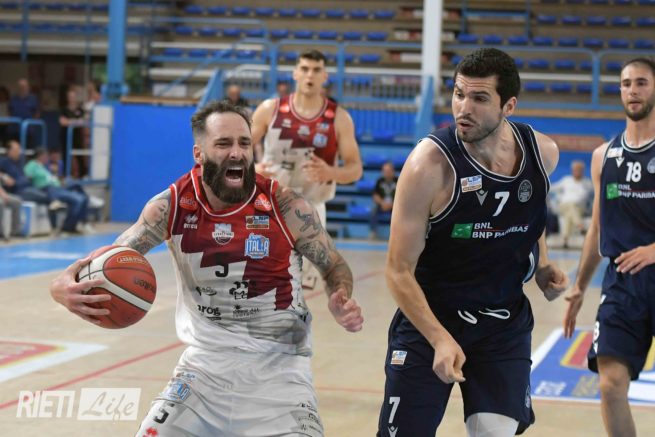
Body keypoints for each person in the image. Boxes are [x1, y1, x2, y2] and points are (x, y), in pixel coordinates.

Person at [49, 100, 364, 436]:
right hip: (202, 373)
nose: (237, 153)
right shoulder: (171, 206)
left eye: (244, 143)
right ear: (199, 154)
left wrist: (340, 295)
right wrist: (60, 288)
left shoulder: (287, 206)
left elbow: (334, 265)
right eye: (224, 143)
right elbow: (110, 262)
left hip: (281, 376)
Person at [377, 48, 568, 437]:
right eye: (459, 94)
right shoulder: (428, 167)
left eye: (479, 98)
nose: (464, 108)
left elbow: (530, 212)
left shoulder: (542, 154)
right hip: (431, 319)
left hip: (502, 323)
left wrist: (543, 262)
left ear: (508, 106)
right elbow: (397, 271)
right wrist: (439, 338)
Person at [563, 57, 655, 437]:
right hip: (622, 284)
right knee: (610, 384)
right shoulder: (604, 156)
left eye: (642, 82)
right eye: (626, 83)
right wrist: (579, 286)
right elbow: (597, 228)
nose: (632, 90)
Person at [251, 49, 362, 227]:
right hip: (268, 205)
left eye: (316, 70)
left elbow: (355, 169)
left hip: (312, 209)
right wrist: (251, 169)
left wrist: (332, 173)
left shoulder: (339, 118)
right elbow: (235, 150)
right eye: (304, 69)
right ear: (295, 74)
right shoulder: (269, 109)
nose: (310, 75)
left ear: (325, 77)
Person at [23, 147, 89, 233]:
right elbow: (27, 176)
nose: (47, 158)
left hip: (57, 187)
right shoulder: (32, 164)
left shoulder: (45, 167)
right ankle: (68, 226)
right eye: (46, 156)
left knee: (82, 194)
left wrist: (59, 178)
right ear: (40, 156)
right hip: (48, 189)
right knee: (79, 200)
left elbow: (53, 178)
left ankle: (83, 222)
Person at [551, 160, 592, 248]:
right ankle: (580, 226)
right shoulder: (566, 180)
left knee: (569, 212)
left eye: (579, 170)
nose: (577, 172)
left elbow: (590, 195)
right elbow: (552, 187)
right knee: (571, 207)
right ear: (572, 170)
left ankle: (565, 240)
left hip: (580, 207)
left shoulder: (587, 183)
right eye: (576, 170)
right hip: (563, 206)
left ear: (583, 171)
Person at [59, 85, 87, 178]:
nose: (71, 99)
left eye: (73, 96)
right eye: (70, 97)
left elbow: (84, 121)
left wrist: (70, 122)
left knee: (80, 155)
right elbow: (62, 122)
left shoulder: (80, 110)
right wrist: (75, 122)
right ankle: (66, 174)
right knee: (66, 155)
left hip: (77, 136)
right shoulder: (64, 109)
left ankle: (83, 174)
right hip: (66, 136)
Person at [8, 78, 40, 148]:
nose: (22, 88)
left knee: (28, 151)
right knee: (15, 150)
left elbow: (37, 113)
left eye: (24, 86)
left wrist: (32, 125)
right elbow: (10, 111)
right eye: (20, 86)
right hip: (14, 130)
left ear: (28, 87)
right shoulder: (13, 99)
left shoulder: (33, 99)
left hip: (28, 131)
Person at [369, 161, 397, 240]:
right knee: (373, 212)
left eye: (388, 171)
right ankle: (373, 232)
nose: (386, 173)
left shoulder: (398, 181)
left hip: (394, 206)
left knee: (400, 213)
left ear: (393, 171)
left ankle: (396, 234)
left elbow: (402, 196)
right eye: (385, 171)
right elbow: (375, 195)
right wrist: (382, 203)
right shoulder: (379, 181)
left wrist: (392, 204)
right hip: (382, 205)